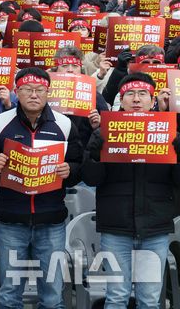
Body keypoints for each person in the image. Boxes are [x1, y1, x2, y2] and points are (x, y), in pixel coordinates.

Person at [0, 67, 84, 309]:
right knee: (9, 294)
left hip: (51, 221)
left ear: (48, 92)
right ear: (17, 92)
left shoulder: (64, 124)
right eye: (27, 89)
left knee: (52, 294)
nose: (34, 95)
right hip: (11, 220)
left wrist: (70, 170)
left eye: (39, 90)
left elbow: (81, 163)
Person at [82, 73, 180, 308]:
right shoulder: (104, 133)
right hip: (116, 228)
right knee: (116, 296)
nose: (136, 99)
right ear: (121, 100)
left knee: (150, 298)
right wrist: (96, 152)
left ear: (152, 99)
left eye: (142, 93)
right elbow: (90, 178)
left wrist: (178, 153)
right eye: (130, 94)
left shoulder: (168, 133)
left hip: (155, 226)